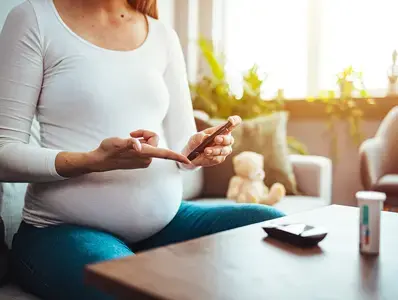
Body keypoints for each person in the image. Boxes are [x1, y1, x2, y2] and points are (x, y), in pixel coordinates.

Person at [0, 0, 285, 299]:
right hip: (60, 230)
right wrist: (92, 161)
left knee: (278, 228)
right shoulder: (34, 18)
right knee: (126, 287)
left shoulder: (162, 35)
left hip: (166, 225)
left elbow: (183, 144)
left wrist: (196, 152)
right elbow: (4, 153)